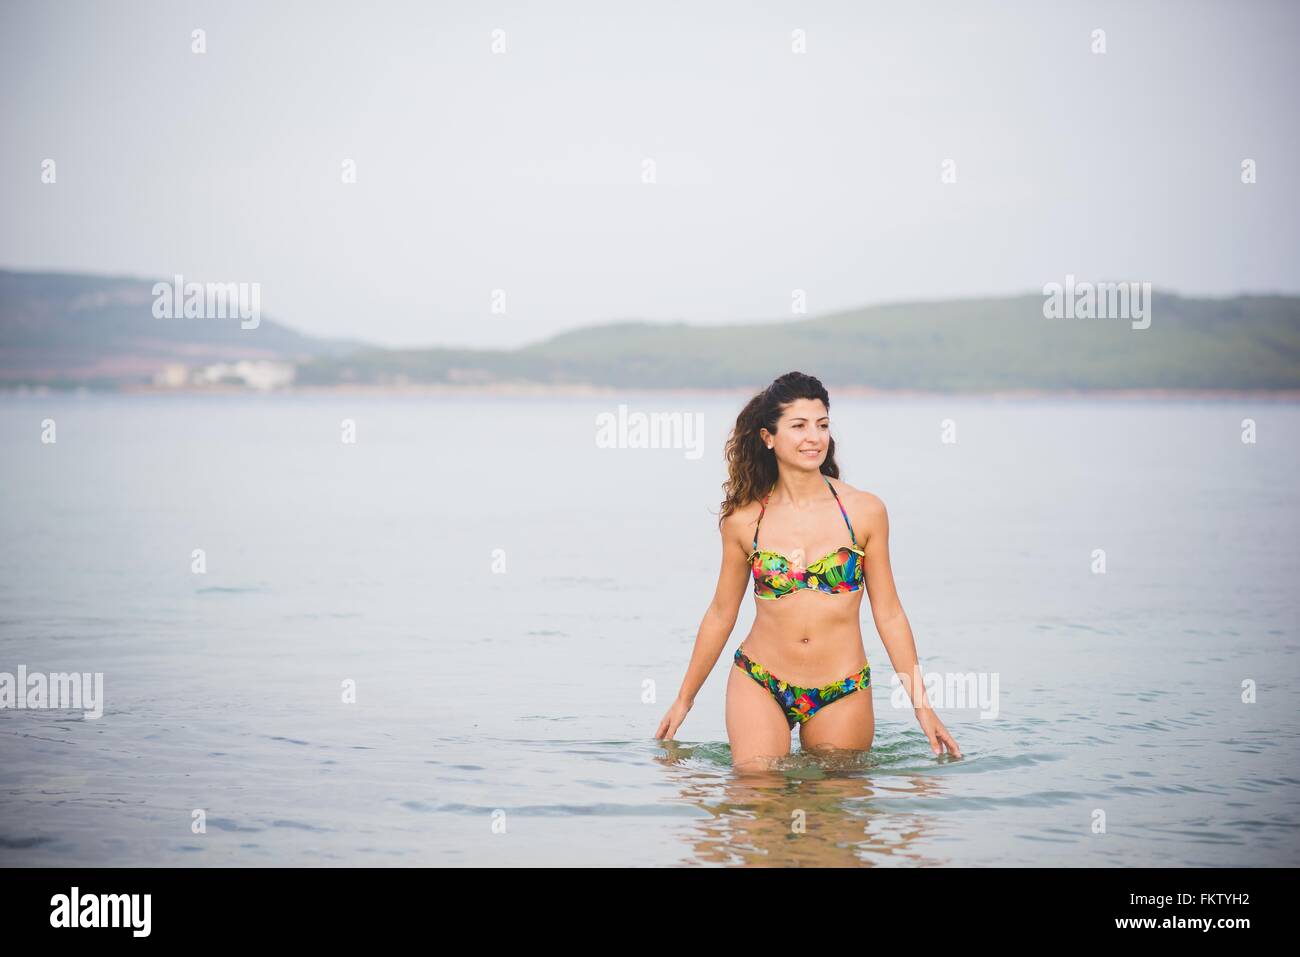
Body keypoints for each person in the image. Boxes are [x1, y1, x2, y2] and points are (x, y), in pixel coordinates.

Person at [655, 371, 961, 771]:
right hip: (760, 679)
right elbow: (720, 613)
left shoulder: (864, 512)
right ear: (768, 437)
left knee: (834, 800)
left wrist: (923, 707)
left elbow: (889, 613)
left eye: (822, 425)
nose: (814, 437)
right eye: (799, 426)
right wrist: (684, 699)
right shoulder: (744, 522)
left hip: (842, 687)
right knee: (756, 785)